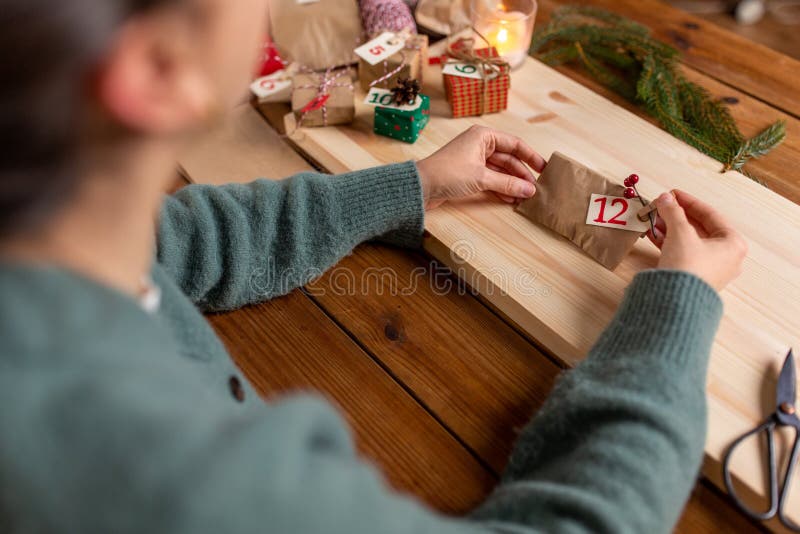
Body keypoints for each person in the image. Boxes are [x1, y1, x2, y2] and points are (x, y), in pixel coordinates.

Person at [0, 0, 748, 533]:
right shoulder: (167, 478)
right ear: (158, 69)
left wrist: (409, 187)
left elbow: (177, 244)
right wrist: (674, 309)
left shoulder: (54, 235)